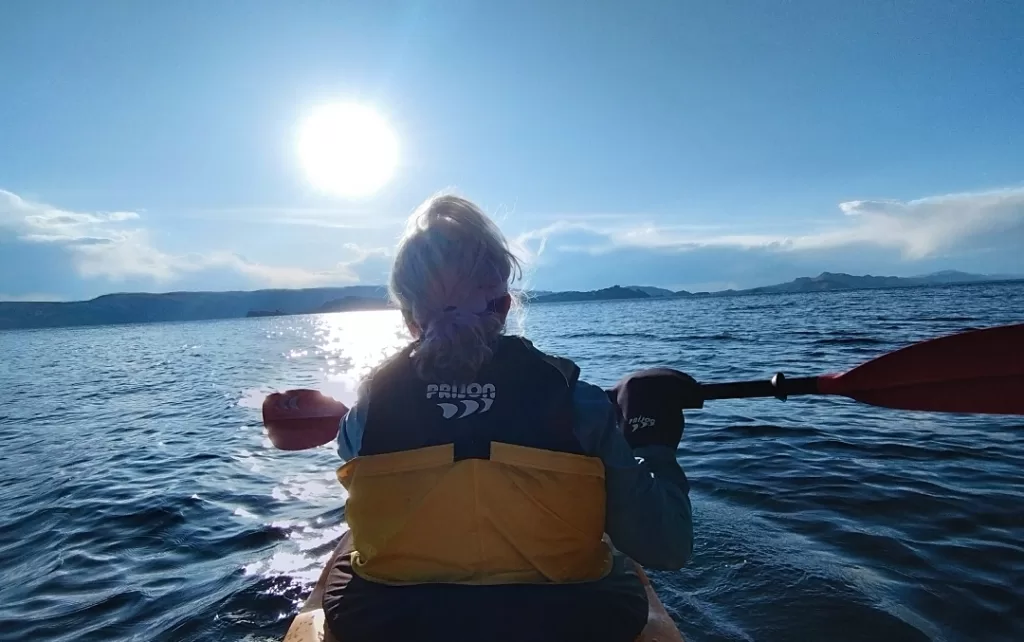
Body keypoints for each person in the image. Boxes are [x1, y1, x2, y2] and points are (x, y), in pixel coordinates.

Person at [316, 194, 699, 642]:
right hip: (565, 624)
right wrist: (654, 446)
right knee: (614, 561)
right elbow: (667, 547)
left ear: (408, 317)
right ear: (503, 305)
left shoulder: (364, 414)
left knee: (345, 561)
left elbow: (356, 445)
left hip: (396, 624)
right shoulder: (582, 406)